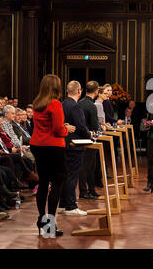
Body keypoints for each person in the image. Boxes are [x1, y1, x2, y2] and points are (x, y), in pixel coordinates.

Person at [30, 74, 75, 237]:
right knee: (57, 183)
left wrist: (61, 126)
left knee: (43, 183)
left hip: (37, 145)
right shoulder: (55, 103)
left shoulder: (37, 103)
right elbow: (57, 130)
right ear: (57, 87)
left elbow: (45, 125)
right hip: (53, 146)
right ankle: (50, 225)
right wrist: (66, 129)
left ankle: (42, 218)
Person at [59, 81, 91, 216]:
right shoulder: (75, 106)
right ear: (79, 91)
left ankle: (63, 204)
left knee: (65, 175)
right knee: (72, 175)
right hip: (75, 145)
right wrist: (90, 135)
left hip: (63, 144)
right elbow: (81, 126)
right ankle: (71, 206)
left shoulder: (62, 104)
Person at [78, 81, 102, 199]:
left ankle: (89, 190)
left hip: (79, 138)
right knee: (88, 166)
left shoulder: (79, 103)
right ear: (96, 91)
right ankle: (85, 191)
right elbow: (94, 125)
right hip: (89, 138)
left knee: (87, 165)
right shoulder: (91, 105)